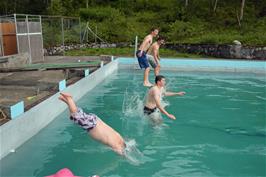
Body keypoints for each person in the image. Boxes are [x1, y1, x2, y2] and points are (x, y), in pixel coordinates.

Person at [58, 92, 125, 155]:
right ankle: (69, 99)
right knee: (76, 116)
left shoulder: (119, 137)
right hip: (92, 126)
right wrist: (123, 156)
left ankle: (66, 100)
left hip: (95, 120)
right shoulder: (116, 146)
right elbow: (120, 152)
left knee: (76, 116)